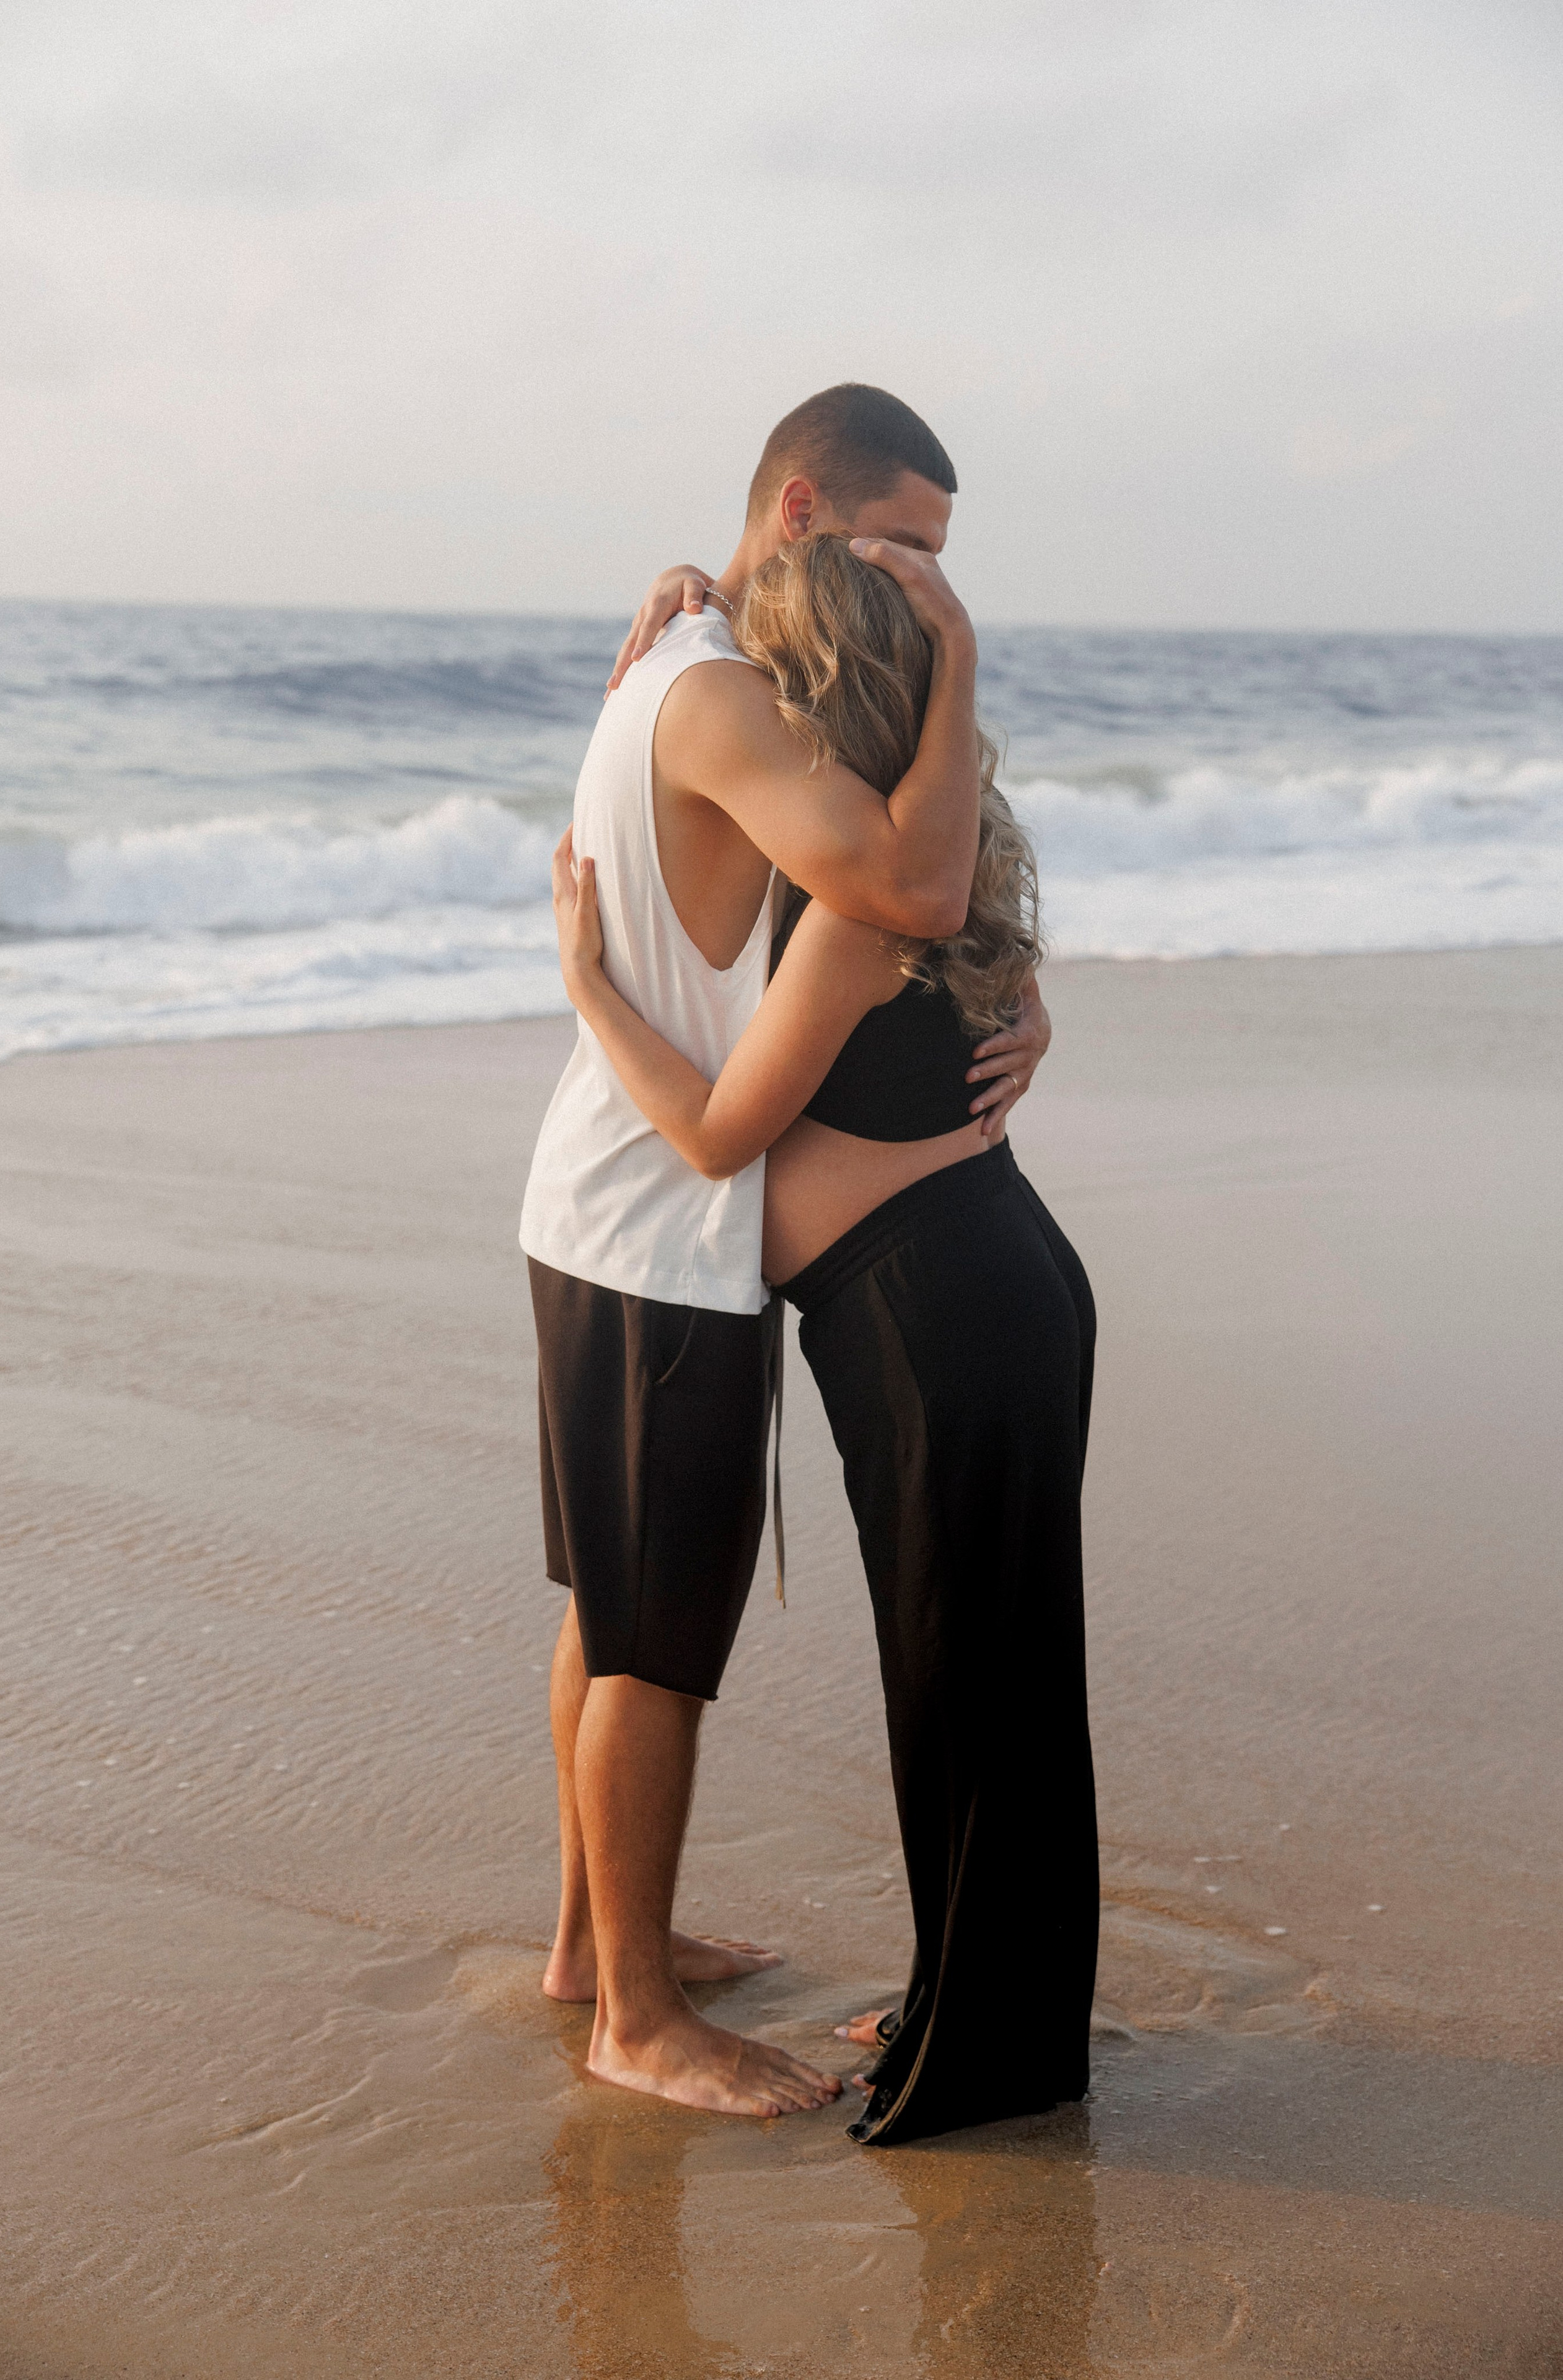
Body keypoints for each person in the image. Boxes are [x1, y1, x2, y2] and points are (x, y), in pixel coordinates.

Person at [519, 385, 1052, 2120]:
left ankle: (597, 1943)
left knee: (618, 1608)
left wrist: (1016, 998)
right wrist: (956, 667)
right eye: (904, 547)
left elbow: (911, 926)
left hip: (635, 1213)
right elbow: (906, 891)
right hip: (655, 1221)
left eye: (943, 566)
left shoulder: (709, 656)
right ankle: (636, 2017)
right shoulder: (719, 696)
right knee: (657, 1642)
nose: (924, 586)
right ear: (810, 512)